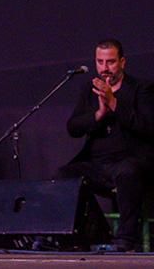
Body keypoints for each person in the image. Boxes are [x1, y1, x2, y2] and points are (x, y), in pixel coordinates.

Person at [56, 39, 154, 252]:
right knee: (64, 174)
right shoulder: (89, 89)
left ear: (122, 62)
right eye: (100, 62)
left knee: (128, 172)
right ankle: (81, 236)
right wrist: (99, 114)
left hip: (131, 161)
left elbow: (148, 127)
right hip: (98, 164)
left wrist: (113, 102)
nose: (105, 68)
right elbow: (73, 128)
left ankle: (127, 240)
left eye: (110, 62)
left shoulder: (141, 89)